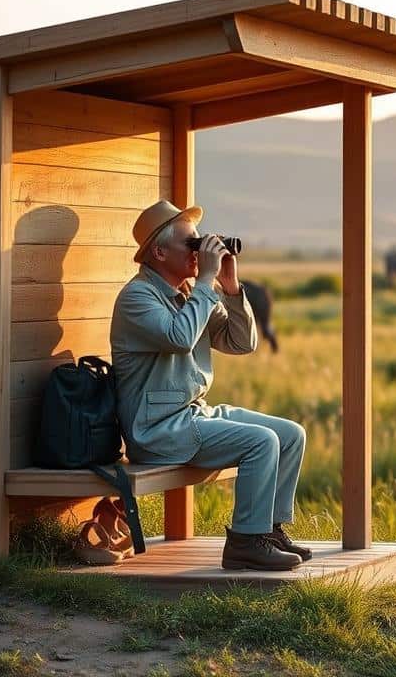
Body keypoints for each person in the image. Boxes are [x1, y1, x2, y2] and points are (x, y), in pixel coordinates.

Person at [111, 200, 311, 571]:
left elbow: (241, 342)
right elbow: (179, 337)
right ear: (158, 252)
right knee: (260, 442)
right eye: (191, 244)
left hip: (192, 414)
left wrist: (231, 288)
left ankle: (267, 531)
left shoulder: (191, 293)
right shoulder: (137, 297)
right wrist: (205, 281)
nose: (200, 251)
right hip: (155, 429)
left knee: (290, 434)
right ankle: (244, 544)